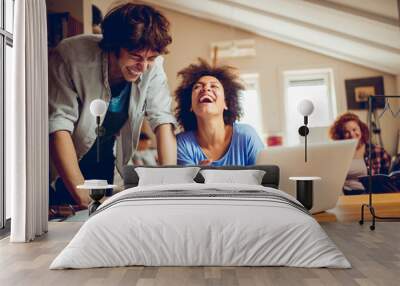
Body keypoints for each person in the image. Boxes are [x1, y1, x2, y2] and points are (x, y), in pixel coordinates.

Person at [49, 2, 177, 210]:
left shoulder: (152, 67)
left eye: (151, 58)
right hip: (63, 168)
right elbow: (58, 125)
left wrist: (171, 188)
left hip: (106, 165)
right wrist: (85, 199)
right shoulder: (71, 56)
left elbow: (162, 121)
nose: (143, 67)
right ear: (113, 46)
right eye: (136, 57)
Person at [174, 59, 264, 166]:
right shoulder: (181, 143)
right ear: (190, 106)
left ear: (226, 103)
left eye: (214, 86)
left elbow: (266, 179)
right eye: (198, 87)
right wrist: (196, 177)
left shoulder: (246, 136)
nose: (206, 89)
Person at [329, 112, 391, 195]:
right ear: (341, 135)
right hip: (346, 195)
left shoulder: (377, 151)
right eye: (346, 132)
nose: (351, 134)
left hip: (370, 195)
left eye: (354, 129)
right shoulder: (338, 154)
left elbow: (388, 178)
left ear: (361, 129)